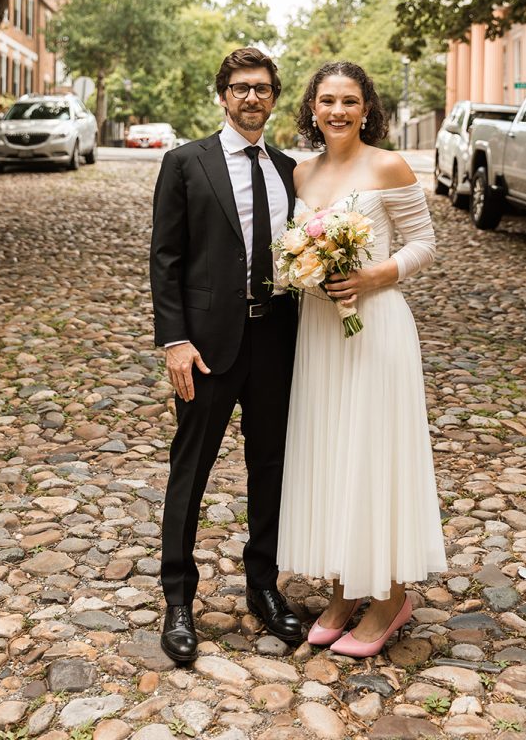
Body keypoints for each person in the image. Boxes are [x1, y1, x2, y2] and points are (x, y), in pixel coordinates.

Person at [277, 60, 447, 657]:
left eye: (350, 101)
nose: (338, 111)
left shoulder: (387, 165)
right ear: (312, 108)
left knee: (375, 454)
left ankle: (390, 599)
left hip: (376, 329)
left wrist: (374, 274)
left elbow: (425, 243)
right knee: (334, 452)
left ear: (367, 108)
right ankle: (344, 593)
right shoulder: (301, 173)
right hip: (321, 332)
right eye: (327, 101)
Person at [150, 47, 302, 663]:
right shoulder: (186, 163)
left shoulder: (291, 169)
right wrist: (175, 340)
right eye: (240, 88)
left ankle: (262, 586)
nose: (251, 98)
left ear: (274, 96)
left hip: (277, 340)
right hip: (208, 347)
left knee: (270, 468)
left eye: (262, 88)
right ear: (222, 95)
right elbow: (166, 259)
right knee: (192, 468)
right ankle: (178, 600)